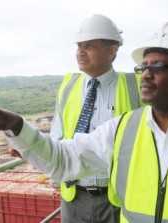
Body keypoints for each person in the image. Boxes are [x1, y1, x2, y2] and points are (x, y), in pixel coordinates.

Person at [0, 21, 168, 223]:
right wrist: (17, 127)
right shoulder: (125, 128)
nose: (146, 75)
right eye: (143, 67)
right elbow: (63, 158)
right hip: (75, 197)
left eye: (158, 67)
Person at [48, 14, 141, 223]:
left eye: (89, 46)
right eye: (79, 45)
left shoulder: (136, 86)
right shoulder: (68, 86)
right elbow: (57, 135)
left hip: (118, 198)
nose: (80, 51)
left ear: (112, 50)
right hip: (74, 198)